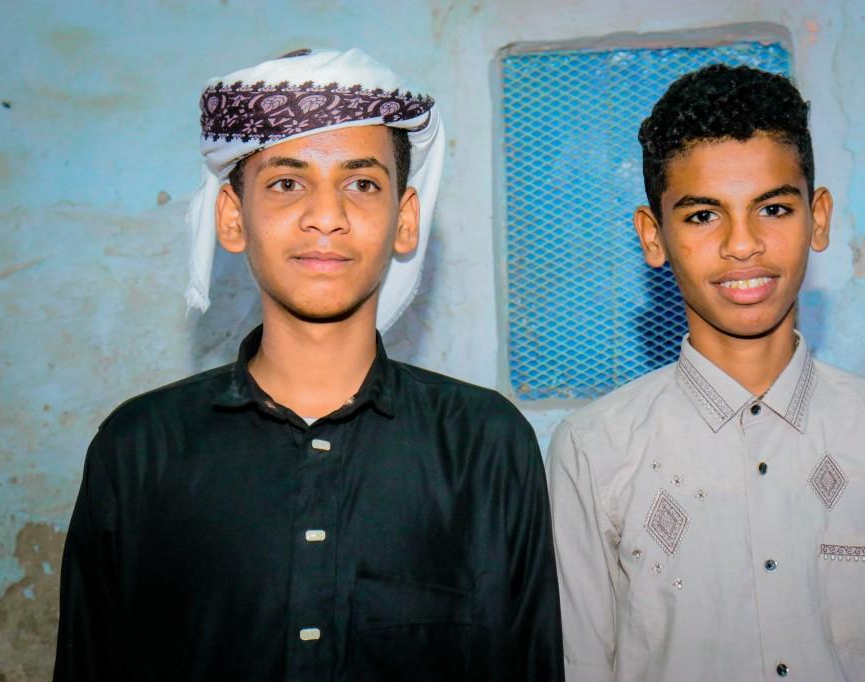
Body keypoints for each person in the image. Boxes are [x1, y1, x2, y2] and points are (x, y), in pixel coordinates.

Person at [54, 47, 563, 682]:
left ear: (405, 221)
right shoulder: (138, 449)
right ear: (233, 218)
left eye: (362, 184)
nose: (326, 217)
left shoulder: (486, 445)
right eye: (287, 183)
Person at [546, 64, 865, 681]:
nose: (743, 244)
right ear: (653, 237)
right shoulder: (591, 450)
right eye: (703, 215)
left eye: (773, 207)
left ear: (819, 218)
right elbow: (580, 664)